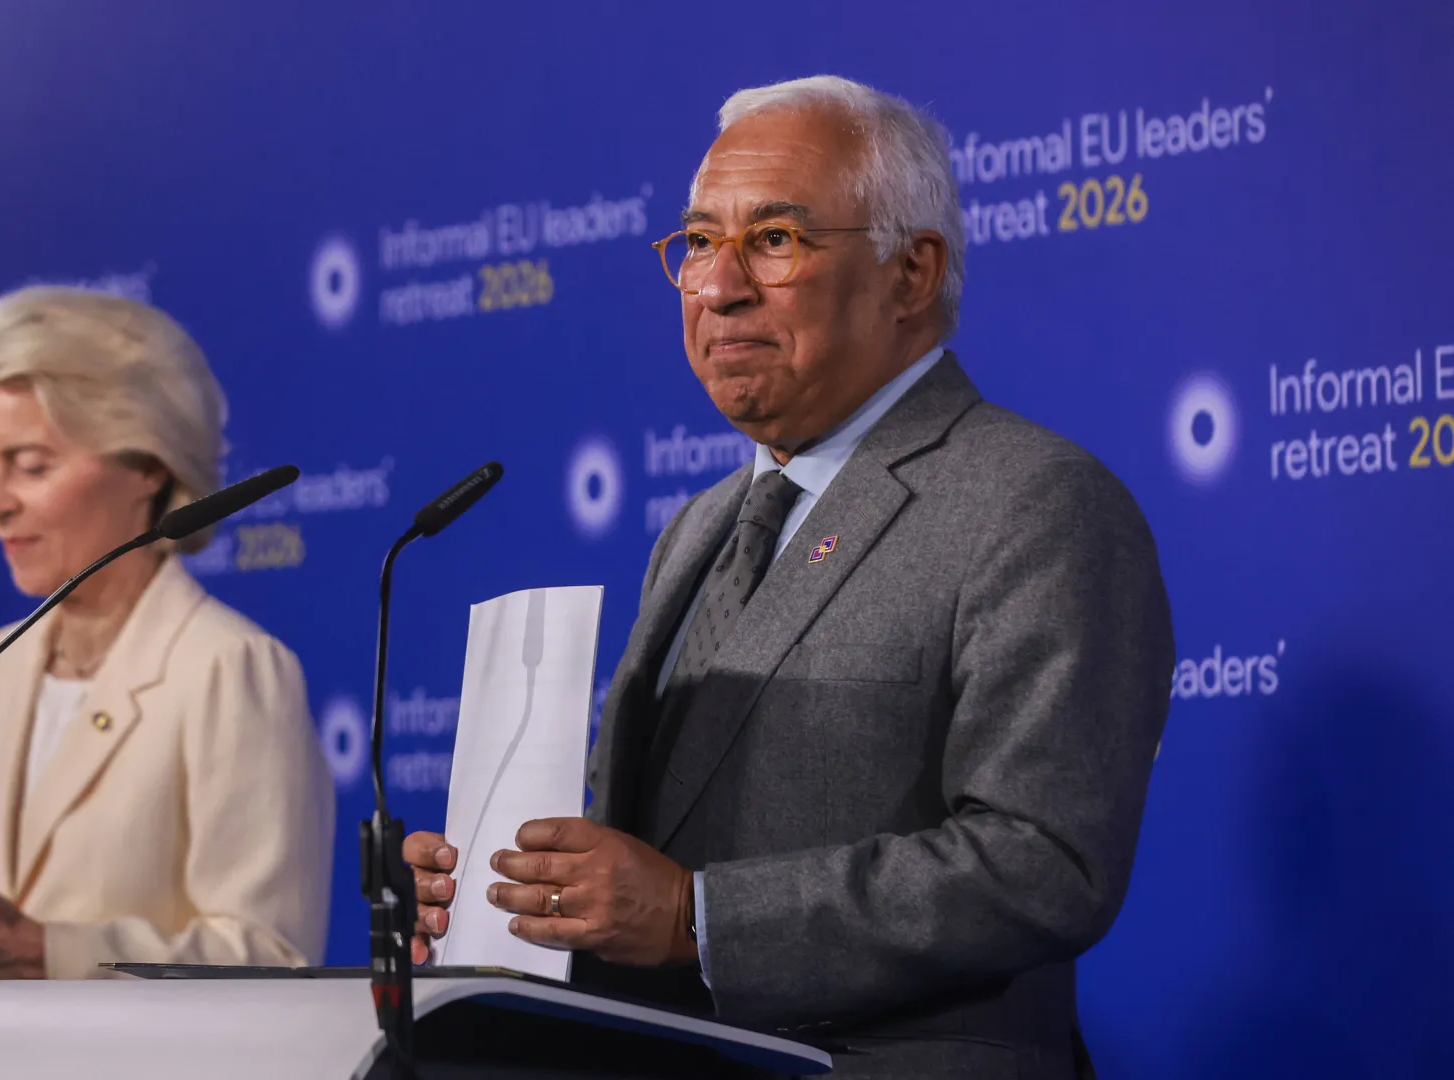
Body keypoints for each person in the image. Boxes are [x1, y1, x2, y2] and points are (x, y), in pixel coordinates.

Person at [405, 75, 1173, 1078]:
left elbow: (1044, 862)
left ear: (910, 272)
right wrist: (522, 892)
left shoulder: (1033, 500)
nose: (718, 285)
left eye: (773, 239)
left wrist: (698, 918)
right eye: (695, 243)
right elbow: (665, 849)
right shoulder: (697, 528)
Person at [0, 285, 334, 1009]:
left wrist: (42, 950)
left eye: (30, 465)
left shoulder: (225, 669)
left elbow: (273, 964)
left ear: (149, 466)